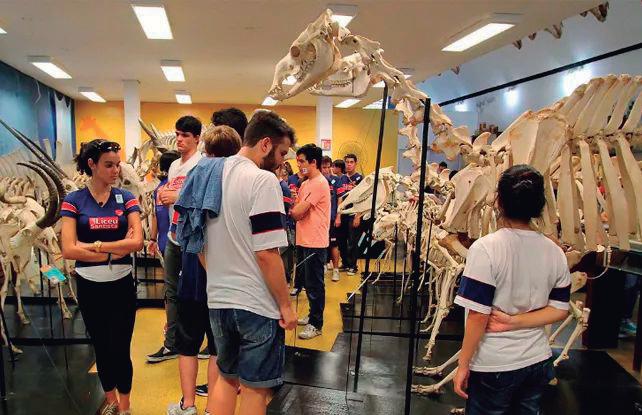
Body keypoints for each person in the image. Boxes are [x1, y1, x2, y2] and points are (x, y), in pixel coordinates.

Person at [452, 165, 570, 415]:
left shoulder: (485, 249)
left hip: (495, 364)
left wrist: (463, 364)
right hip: (538, 360)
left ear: (499, 201)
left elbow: (478, 316)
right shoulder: (555, 251)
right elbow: (560, 309)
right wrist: (516, 322)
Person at [206, 110, 297, 415]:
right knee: (255, 388)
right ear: (265, 144)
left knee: (226, 378)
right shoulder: (263, 181)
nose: (282, 162)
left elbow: (194, 242)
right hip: (256, 304)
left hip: (218, 299)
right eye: (281, 153)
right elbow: (267, 253)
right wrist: (285, 305)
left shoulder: (211, 176)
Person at [61, 139, 144, 415]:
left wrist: (94, 247)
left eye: (117, 165)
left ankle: (125, 406)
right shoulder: (74, 201)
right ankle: (111, 401)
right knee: (102, 347)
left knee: (121, 348)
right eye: (109, 165)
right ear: (92, 165)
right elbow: (68, 249)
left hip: (121, 285)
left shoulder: (126, 198)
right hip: (89, 286)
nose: (115, 171)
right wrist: (116, 249)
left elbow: (136, 243)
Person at [167, 125, 242, 415]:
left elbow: (185, 230)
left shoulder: (194, 176)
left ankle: (188, 405)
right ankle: (212, 407)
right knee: (217, 346)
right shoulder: (240, 181)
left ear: (205, 149)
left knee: (188, 343)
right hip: (225, 280)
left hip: (195, 277)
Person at [148, 115, 203, 363]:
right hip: (173, 237)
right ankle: (171, 343)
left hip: (193, 239)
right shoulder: (173, 167)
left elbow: (204, 199)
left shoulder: (202, 165)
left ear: (197, 138)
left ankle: (204, 343)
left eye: (185, 135)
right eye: (178, 134)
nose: (179, 139)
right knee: (171, 292)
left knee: (197, 292)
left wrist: (177, 197)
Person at [291, 144, 331, 340]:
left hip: (315, 241)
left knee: (315, 284)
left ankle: (316, 324)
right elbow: (297, 209)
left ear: (313, 162)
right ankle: (312, 315)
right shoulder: (305, 183)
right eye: (298, 161)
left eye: (302, 161)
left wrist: (295, 209)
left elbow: (297, 212)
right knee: (308, 283)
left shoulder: (319, 183)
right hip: (304, 239)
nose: (299, 165)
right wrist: (296, 208)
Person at [149, 151, 180, 261]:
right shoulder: (175, 185)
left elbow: (155, 214)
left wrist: (153, 238)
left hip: (163, 239)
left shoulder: (159, 188)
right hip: (175, 238)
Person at [338, 153, 363, 275]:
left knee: (352, 241)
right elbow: (340, 197)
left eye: (351, 162)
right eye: (347, 162)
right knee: (341, 240)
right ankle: (345, 263)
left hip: (354, 213)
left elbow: (363, 199)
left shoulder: (360, 179)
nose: (349, 164)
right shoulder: (341, 178)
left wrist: (358, 216)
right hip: (343, 212)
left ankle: (353, 266)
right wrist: (338, 215)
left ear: (355, 163)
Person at [321, 156, 341, 282]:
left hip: (332, 218)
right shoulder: (317, 180)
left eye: (329, 167)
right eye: (324, 167)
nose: (327, 170)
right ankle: (323, 265)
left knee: (334, 244)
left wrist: (338, 216)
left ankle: (336, 270)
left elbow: (340, 199)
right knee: (322, 244)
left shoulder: (336, 180)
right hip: (320, 219)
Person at [288, 168, 306, 296]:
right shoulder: (297, 198)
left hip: (311, 235)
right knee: (299, 259)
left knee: (309, 262)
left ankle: (306, 285)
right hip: (298, 231)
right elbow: (293, 213)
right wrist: (294, 201)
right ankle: (298, 285)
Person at [277, 163, 296, 285]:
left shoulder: (283, 187)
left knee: (285, 253)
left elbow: (285, 207)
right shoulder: (275, 184)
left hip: (284, 224)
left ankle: (286, 279)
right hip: (278, 224)